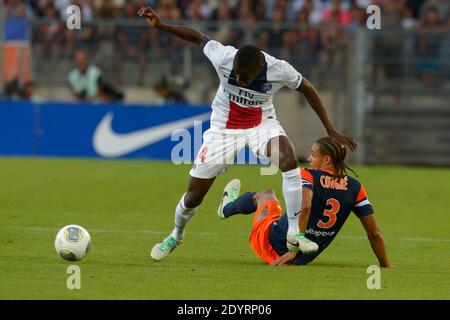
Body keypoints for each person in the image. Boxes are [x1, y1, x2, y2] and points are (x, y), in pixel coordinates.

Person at [137, 7, 357, 262]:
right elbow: (199, 37)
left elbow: (307, 88)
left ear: (260, 68)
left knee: (288, 160)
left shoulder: (278, 69)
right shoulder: (224, 57)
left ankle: (295, 233)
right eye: (237, 75)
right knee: (194, 196)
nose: (239, 79)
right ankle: (176, 234)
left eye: (245, 77)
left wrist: (330, 129)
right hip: (223, 128)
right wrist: (161, 25)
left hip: (261, 124)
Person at [219, 137, 390, 267]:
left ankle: (226, 208)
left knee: (265, 195)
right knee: (277, 206)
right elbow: (374, 233)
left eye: (313, 155)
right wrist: (385, 265)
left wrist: (292, 250)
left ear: (327, 160)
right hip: (305, 257)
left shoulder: (308, 175)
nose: (308, 158)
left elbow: (305, 205)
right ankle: (228, 207)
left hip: (272, 242)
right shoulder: (355, 187)